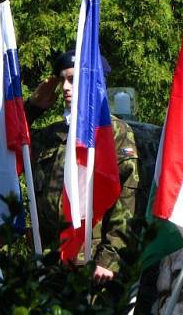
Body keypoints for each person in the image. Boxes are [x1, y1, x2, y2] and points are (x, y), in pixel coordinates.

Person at [27, 49, 139, 282]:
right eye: (62, 80)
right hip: (47, 261)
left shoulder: (113, 133)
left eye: (73, 80)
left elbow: (126, 200)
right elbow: (9, 149)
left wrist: (109, 259)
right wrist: (32, 109)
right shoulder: (51, 135)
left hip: (90, 263)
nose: (66, 87)